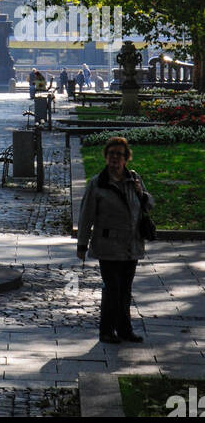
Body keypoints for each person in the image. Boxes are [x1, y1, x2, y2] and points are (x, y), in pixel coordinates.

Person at [77, 136, 153, 344]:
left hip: (131, 245)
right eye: (111, 154)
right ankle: (106, 330)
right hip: (107, 246)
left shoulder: (133, 179)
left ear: (126, 158)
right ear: (106, 157)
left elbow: (149, 205)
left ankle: (125, 329)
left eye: (119, 154)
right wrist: (82, 244)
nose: (115, 158)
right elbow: (86, 216)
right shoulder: (98, 184)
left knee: (125, 289)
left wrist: (141, 193)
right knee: (112, 288)